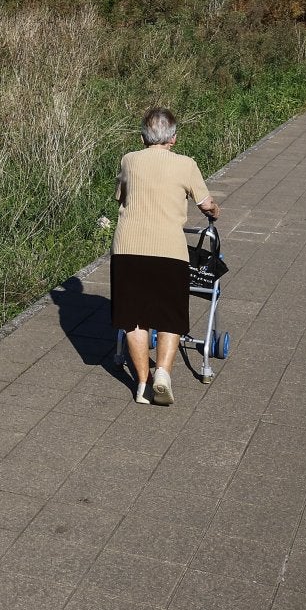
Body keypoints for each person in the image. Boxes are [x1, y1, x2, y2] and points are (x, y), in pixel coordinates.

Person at [111, 106, 219, 405]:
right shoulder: (186, 164)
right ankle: (163, 374)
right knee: (169, 317)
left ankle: (142, 385)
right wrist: (214, 211)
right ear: (173, 138)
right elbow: (206, 203)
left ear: (143, 137)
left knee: (133, 319)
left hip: (128, 249)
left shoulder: (129, 160)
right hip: (169, 250)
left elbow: (121, 195)